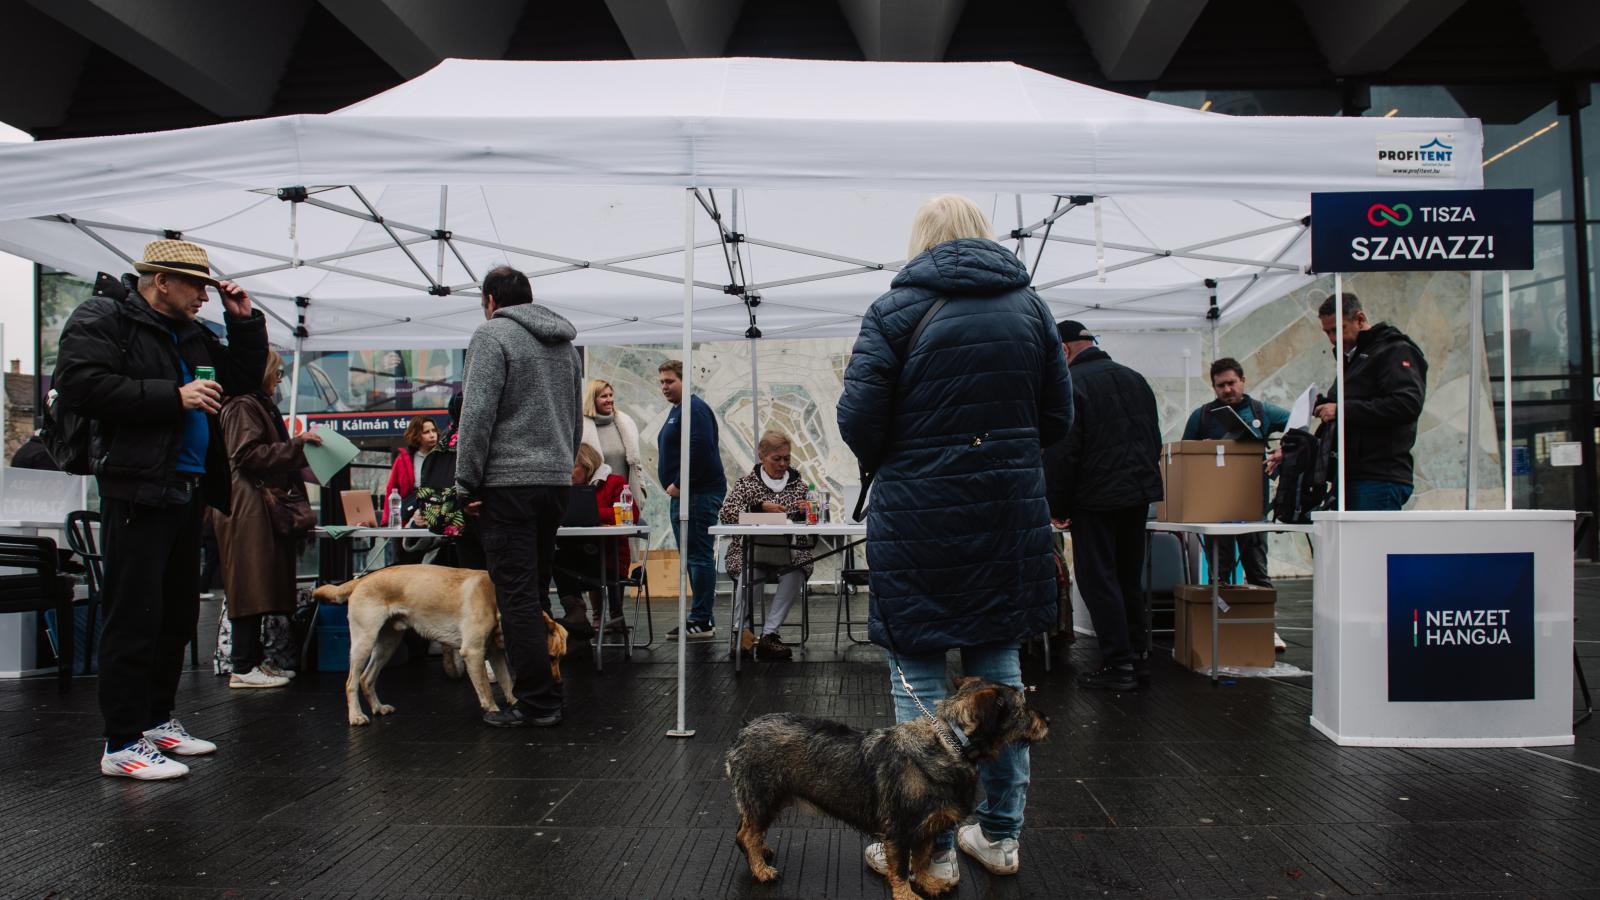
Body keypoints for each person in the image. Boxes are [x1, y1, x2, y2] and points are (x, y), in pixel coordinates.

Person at [838, 195, 1072, 882]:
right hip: (1007, 515)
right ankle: (999, 838)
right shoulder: (1031, 309)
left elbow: (859, 421)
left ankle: (929, 854)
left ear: (922, 241)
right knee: (1000, 677)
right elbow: (1056, 416)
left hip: (919, 519)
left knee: (915, 687)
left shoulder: (893, 312)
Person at [53, 239, 267, 780]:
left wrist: (243, 324)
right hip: (136, 485)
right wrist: (173, 396)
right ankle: (121, 742)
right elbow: (79, 385)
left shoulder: (191, 332)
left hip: (186, 487)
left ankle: (155, 721)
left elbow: (239, 387)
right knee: (134, 613)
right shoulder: (106, 317)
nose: (204, 296)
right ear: (160, 281)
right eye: (196, 286)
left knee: (174, 613)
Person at [455, 265, 583, 728]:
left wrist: (464, 483)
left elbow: (477, 414)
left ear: (491, 300)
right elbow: (574, 420)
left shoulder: (492, 337)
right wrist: (559, 466)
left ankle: (537, 704)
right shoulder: (564, 344)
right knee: (535, 590)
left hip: (507, 485)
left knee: (516, 597)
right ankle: (548, 691)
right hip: (553, 482)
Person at [1043, 320, 1163, 692]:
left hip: (1095, 498)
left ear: (1064, 350)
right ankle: (1138, 657)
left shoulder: (1072, 385)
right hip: (1137, 495)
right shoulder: (1135, 379)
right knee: (1128, 577)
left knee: (1099, 581)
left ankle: (1117, 663)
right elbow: (1154, 439)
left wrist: (1057, 504)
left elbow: (1063, 452)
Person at [215, 349, 322, 689]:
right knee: (250, 584)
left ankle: (253, 661)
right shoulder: (245, 406)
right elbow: (245, 454)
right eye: (276, 373)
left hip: (254, 506)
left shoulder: (253, 405)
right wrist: (296, 446)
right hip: (247, 507)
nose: (279, 380)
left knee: (258, 583)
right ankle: (244, 665)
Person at [1268, 293, 1427, 512]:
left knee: (1369, 545)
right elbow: (1342, 417)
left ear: (1360, 320)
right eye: (1327, 332)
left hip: (1378, 476)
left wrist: (1341, 410)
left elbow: (1407, 404)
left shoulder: (1395, 350)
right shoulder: (1354, 359)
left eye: (1338, 329)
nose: (1333, 338)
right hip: (1348, 475)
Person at [1181, 358, 1290, 589]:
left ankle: (1262, 624)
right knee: (1218, 577)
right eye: (1220, 385)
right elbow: (1185, 456)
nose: (1227, 389)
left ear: (1243, 380)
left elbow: (1297, 423)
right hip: (1215, 510)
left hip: (1253, 505)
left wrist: (1284, 449)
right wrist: (1204, 448)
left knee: (1258, 573)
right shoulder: (1201, 416)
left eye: (1231, 383)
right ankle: (1220, 624)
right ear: (1213, 387)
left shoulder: (1261, 411)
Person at [718, 430, 815, 662]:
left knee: (797, 571)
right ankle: (743, 633)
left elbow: (812, 523)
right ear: (762, 456)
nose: (782, 464)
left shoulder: (799, 485)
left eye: (786, 459)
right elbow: (727, 514)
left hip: (791, 553)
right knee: (750, 573)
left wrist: (807, 510)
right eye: (776, 459)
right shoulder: (746, 484)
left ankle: (770, 634)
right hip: (750, 552)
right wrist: (759, 508)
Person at [657, 359, 726, 640]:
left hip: (697, 494)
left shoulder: (694, 409)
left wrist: (679, 484)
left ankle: (700, 619)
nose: (664, 387)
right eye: (661, 382)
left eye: (670, 381)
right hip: (688, 494)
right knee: (692, 557)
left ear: (685, 381)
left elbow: (700, 449)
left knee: (698, 557)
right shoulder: (680, 410)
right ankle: (701, 617)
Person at [552, 444, 634, 638]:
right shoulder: (568, 490)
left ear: (587, 466)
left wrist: (590, 513)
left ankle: (583, 616)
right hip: (579, 559)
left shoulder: (614, 482)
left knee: (562, 560)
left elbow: (631, 514)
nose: (568, 473)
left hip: (609, 560)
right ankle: (576, 613)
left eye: (572, 467)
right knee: (552, 558)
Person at [580, 379, 644, 500]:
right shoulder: (582, 429)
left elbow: (636, 464)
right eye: (604, 396)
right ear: (592, 400)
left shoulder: (626, 423)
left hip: (625, 498)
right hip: (597, 498)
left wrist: (641, 490)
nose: (609, 400)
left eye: (611, 395)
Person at [383, 414, 438, 526]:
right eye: (426, 432)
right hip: (409, 513)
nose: (432, 435)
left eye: (433, 430)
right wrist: (386, 522)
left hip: (438, 512)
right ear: (416, 435)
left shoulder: (443, 457)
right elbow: (392, 490)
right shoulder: (403, 459)